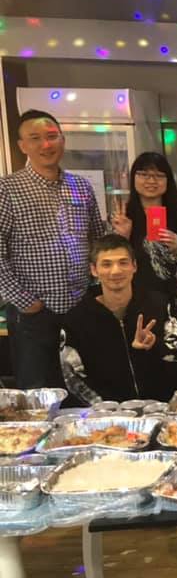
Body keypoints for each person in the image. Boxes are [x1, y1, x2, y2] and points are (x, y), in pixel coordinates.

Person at [0, 109, 108, 388]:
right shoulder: (7, 189)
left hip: (80, 307)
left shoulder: (81, 186)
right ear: (22, 146)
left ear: (62, 139)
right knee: (39, 391)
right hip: (33, 313)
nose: (46, 144)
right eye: (35, 138)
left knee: (86, 387)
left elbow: (97, 240)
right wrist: (24, 301)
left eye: (51, 136)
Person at [60, 234, 177, 405]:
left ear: (134, 266)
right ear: (94, 270)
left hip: (160, 408)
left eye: (123, 262)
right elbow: (72, 376)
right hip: (106, 414)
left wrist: (155, 345)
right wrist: (105, 408)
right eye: (106, 264)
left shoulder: (158, 304)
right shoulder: (77, 318)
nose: (116, 271)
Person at [111, 152, 177, 308]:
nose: (151, 181)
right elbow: (110, 260)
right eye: (143, 174)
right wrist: (124, 237)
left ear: (168, 180)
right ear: (133, 178)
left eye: (159, 176)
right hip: (136, 297)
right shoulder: (123, 215)